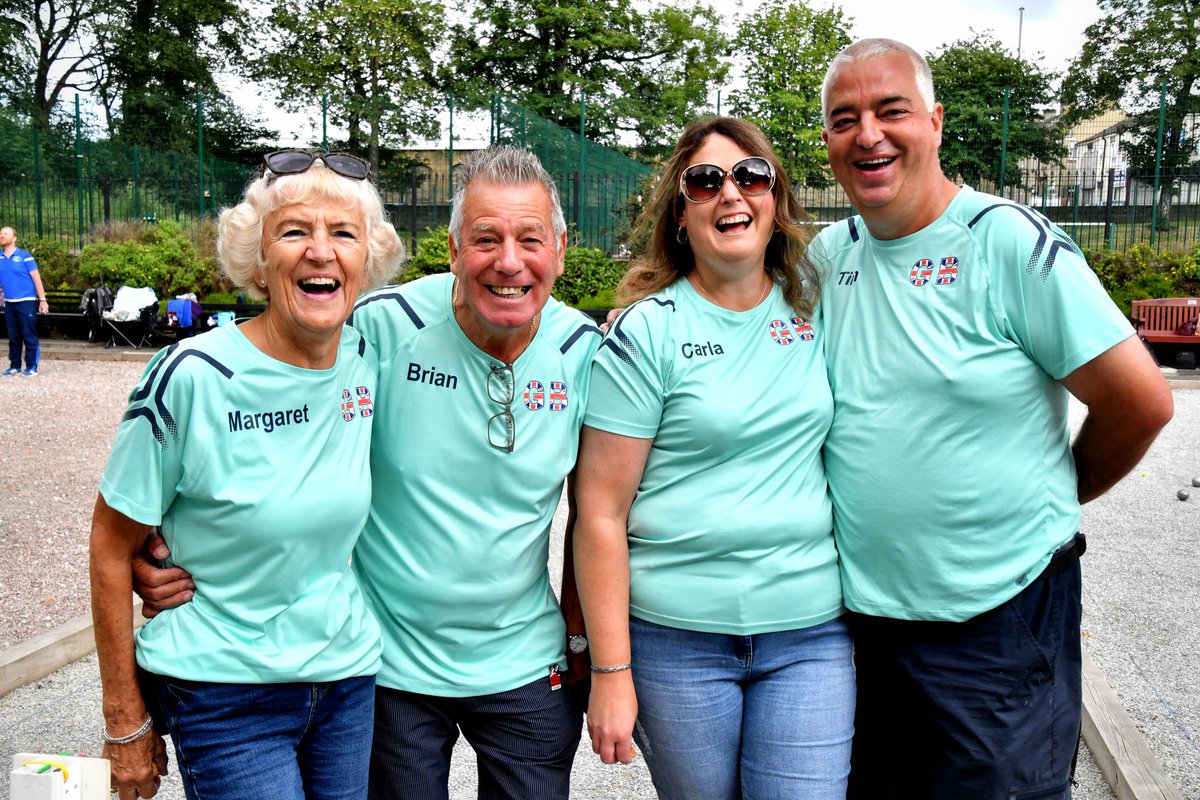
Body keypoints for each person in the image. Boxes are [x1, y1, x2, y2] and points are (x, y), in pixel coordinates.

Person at [134, 145, 604, 800]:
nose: (508, 262)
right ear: (451, 247)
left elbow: (605, 511)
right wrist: (156, 544)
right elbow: (252, 390)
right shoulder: (383, 327)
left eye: (530, 240)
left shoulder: (587, 354)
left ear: (558, 247)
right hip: (388, 668)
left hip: (525, 662)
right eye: (485, 239)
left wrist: (596, 651)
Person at [813, 39, 1174, 799]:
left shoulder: (1006, 242)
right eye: (845, 119)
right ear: (827, 144)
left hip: (1000, 619)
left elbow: (1141, 401)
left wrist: (1058, 485)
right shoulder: (826, 258)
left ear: (935, 123)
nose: (868, 134)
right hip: (865, 624)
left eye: (891, 110)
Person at [91, 150, 403, 800]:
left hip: (345, 684)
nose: (321, 251)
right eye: (294, 232)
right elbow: (110, 545)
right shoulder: (192, 377)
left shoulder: (367, 354)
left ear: (366, 261)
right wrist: (124, 722)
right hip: (225, 692)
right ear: (259, 260)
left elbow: (470, 299)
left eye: (343, 233)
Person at [574, 117, 854, 799]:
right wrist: (611, 674)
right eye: (706, 181)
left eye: (751, 175)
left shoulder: (820, 310)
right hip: (678, 641)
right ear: (680, 214)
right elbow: (600, 512)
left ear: (776, 200)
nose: (732, 193)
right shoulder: (648, 332)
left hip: (809, 632)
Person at [0, 225, 48, 376]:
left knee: (28, 334)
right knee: (13, 336)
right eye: (1, 233)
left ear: (14, 238)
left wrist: (42, 300)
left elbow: (36, 278)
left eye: (5, 233)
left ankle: (32, 366)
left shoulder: (25, 256)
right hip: (10, 302)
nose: (2, 235)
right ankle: (15, 365)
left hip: (26, 301)